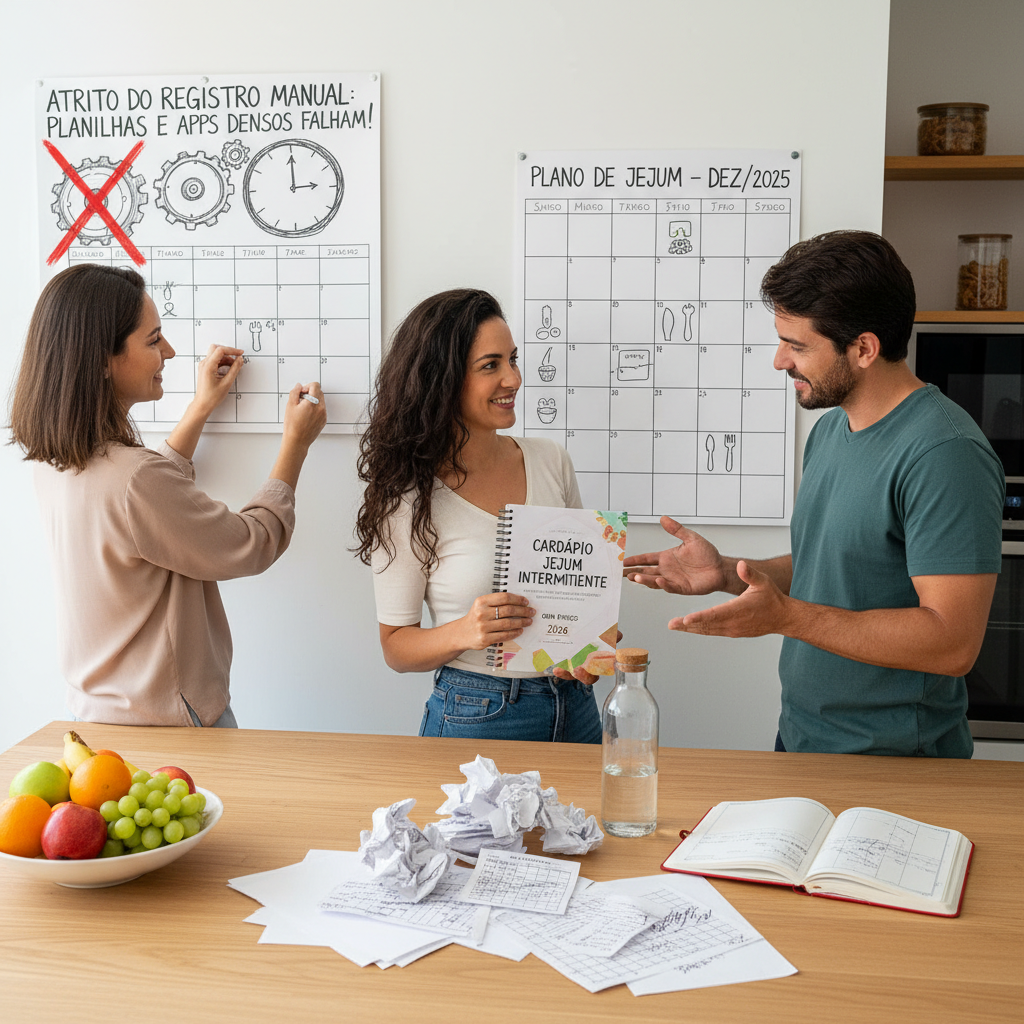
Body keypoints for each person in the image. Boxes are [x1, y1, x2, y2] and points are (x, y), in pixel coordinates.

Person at [624, 230, 1004, 757]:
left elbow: (952, 642)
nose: (780, 361)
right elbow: (837, 568)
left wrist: (785, 616)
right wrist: (729, 573)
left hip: (895, 759)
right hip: (804, 737)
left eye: (798, 346)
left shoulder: (945, 453)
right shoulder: (831, 430)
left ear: (864, 348)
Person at [9, 263, 327, 727]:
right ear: (102, 360)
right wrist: (295, 444)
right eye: (154, 340)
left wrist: (200, 408)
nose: (170, 352)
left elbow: (141, 506)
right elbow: (252, 543)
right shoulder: (136, 480)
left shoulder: (55, 459)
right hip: (170, 724)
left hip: (95, 715)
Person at [355, 288, 603, 742]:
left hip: (577, 709)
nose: (513, 378)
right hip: (479, 710)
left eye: (513, 360)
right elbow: (396, 647)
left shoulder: (551, 460)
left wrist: (587, 642)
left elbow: (573, 599)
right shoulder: (409, 496)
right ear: (443, 380)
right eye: (491, 365)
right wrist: (465, 631)